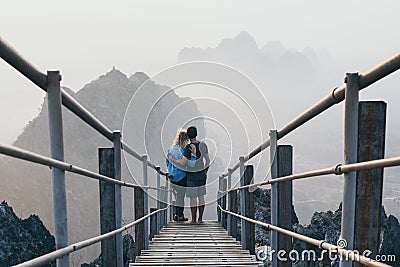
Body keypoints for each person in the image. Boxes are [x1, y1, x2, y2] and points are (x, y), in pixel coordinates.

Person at [171, 126, 210, 223]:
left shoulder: (188, 148)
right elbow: (208, 160)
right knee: (201, 196)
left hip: (192, 175)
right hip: (201, 174)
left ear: (188, 136)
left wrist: (173, 160)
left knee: (193, 197)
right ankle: (200, 218)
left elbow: (182, 163)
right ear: (196, 134)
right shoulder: (203, 145)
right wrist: (205, 171)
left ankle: (193, 219)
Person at [166, 129, 196, 222]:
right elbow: (191, 164)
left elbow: (167, 162)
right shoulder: (184, 150)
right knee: (181, 196)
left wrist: (170, 171)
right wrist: (194, 155)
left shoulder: (171, 149)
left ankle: (178, 214)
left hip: (172, 176)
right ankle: (179, 215)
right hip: (182, 176)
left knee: (177, 196)